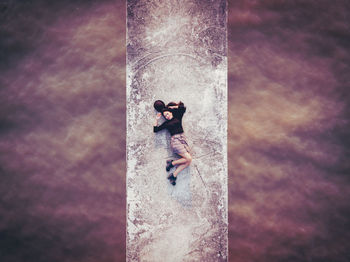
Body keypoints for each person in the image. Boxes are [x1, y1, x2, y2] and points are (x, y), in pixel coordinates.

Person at [153, 101, 192, 186]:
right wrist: (157, 119)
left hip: (183, 140)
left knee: (188, 161)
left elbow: (182, 106)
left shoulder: (178, 117)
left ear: (171, 112)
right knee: (189, 159)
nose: (167, 116)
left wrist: (172, 107)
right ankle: (172, 163)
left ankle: (173, 175)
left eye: (168, 114)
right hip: (175, 141)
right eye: (165, 116)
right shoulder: (167, 123)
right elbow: (155, 130)